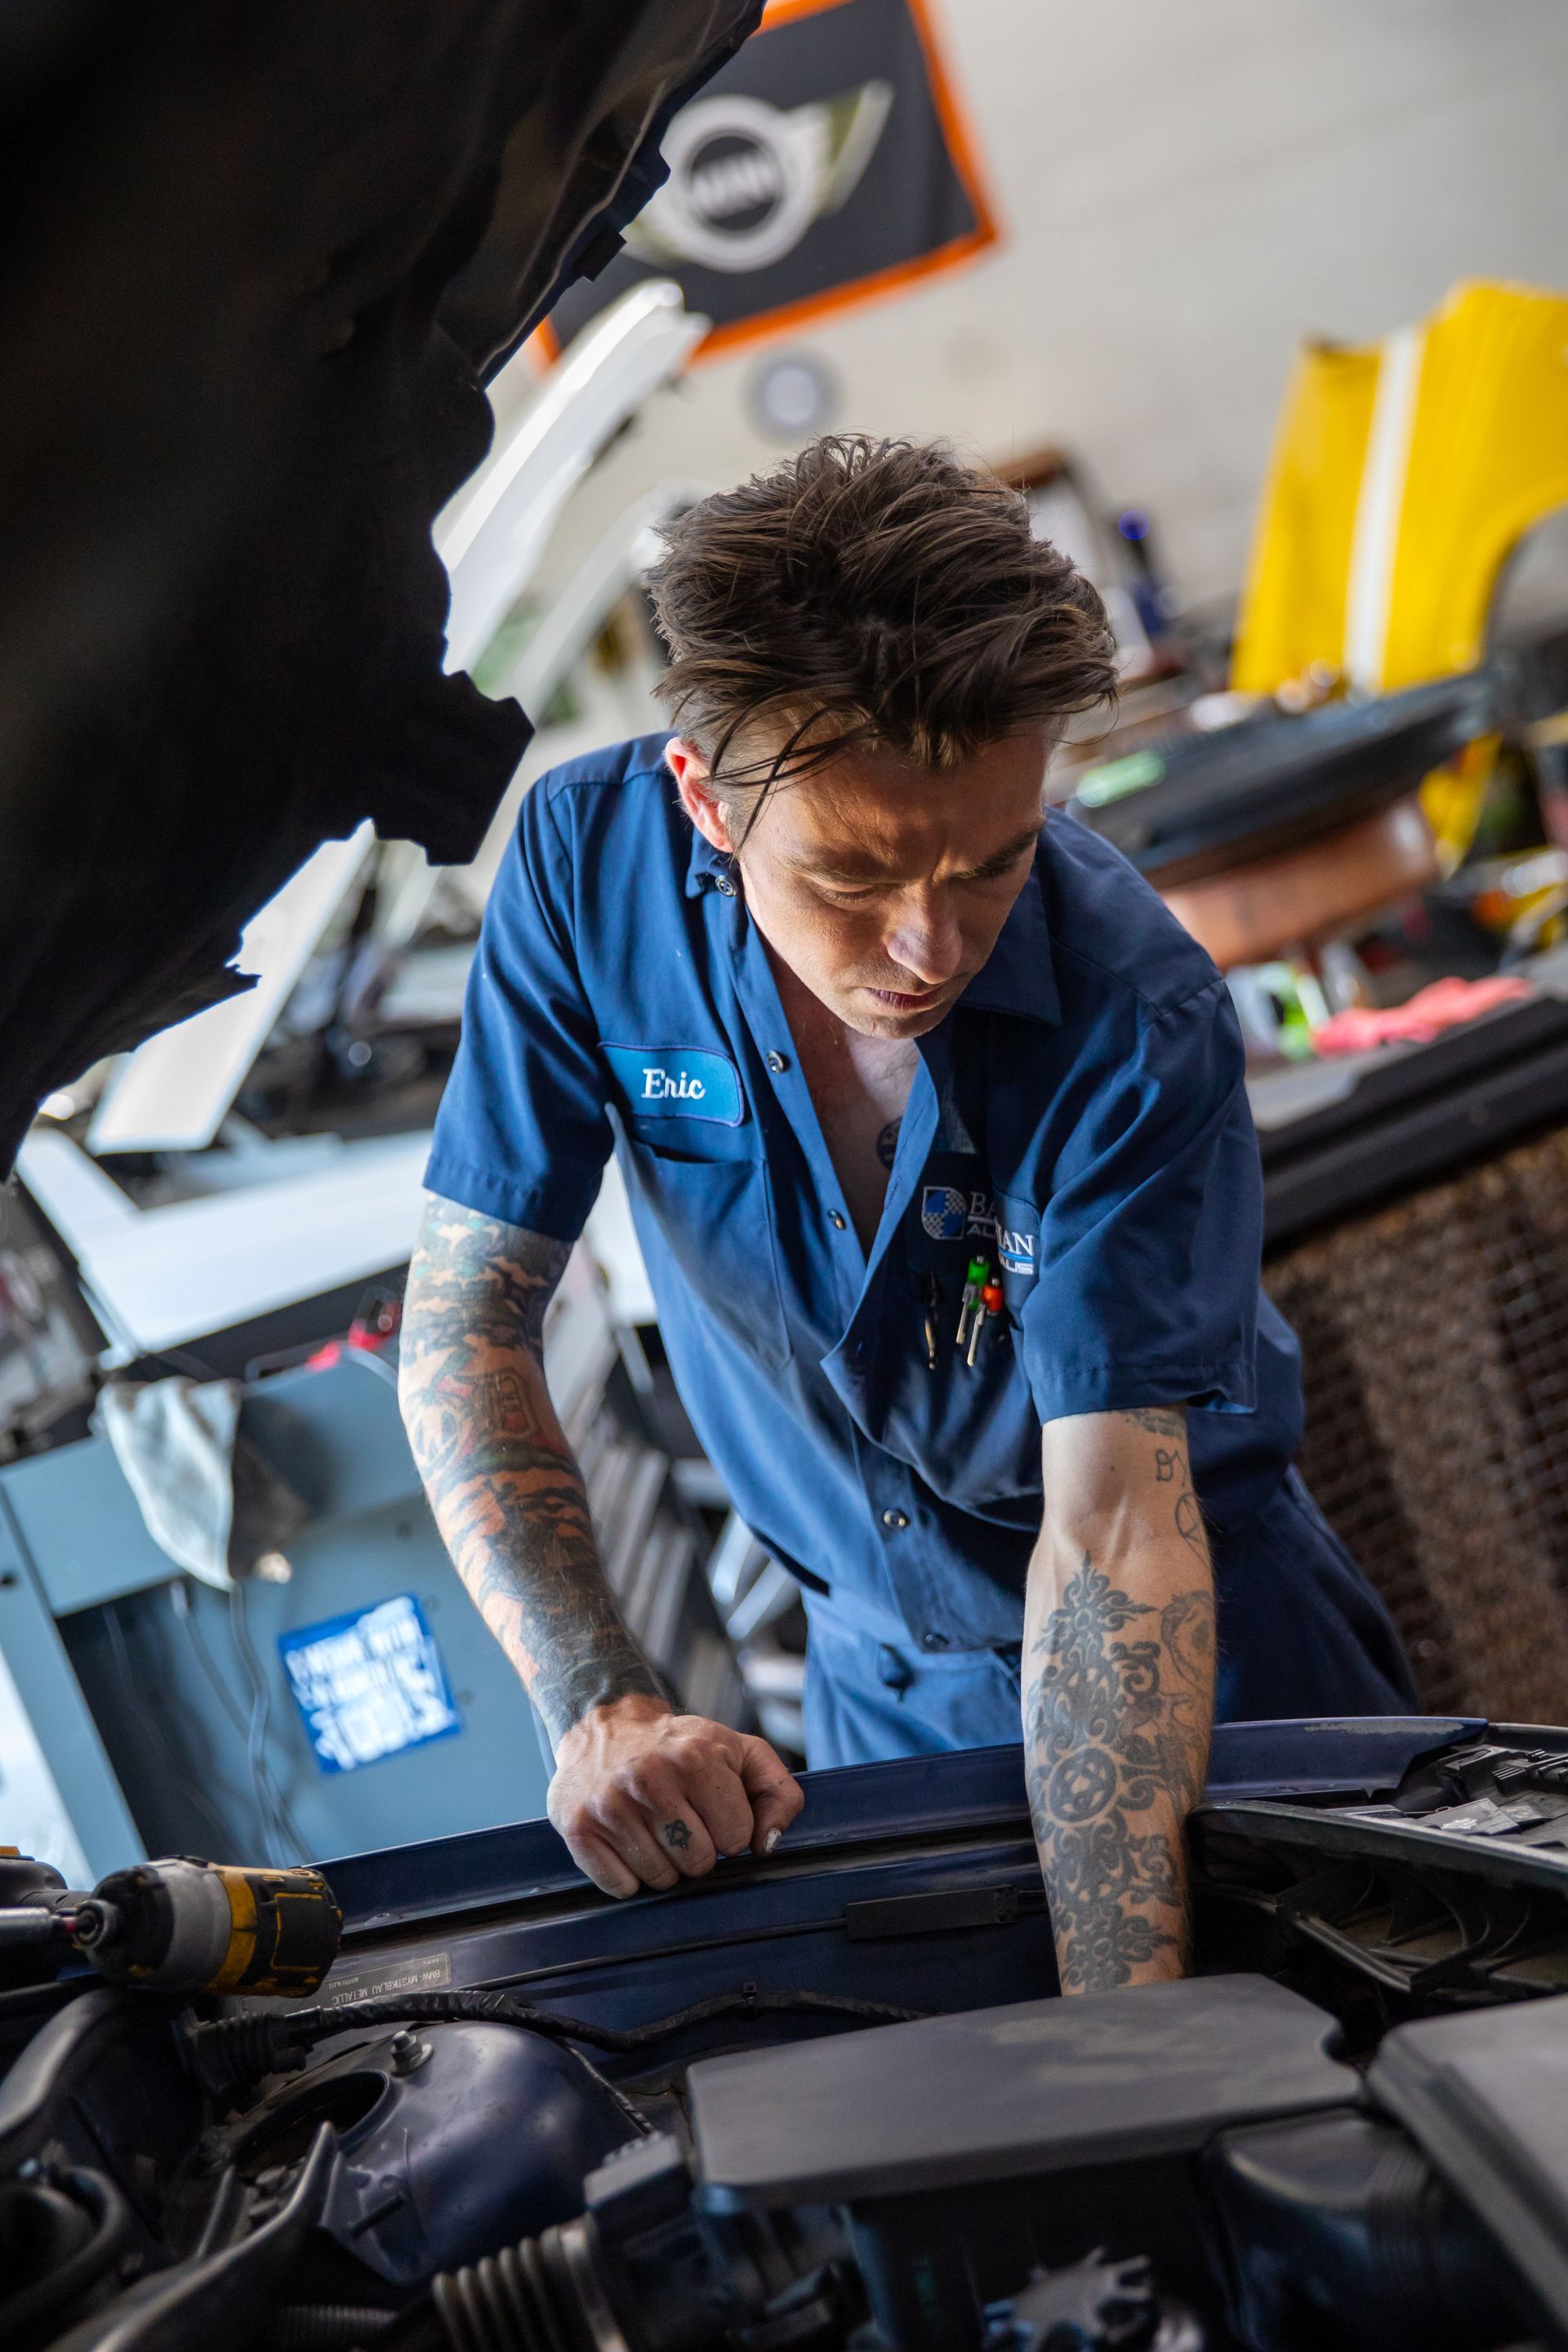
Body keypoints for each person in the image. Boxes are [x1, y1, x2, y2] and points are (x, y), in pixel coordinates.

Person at [399, 436, 1415, 1998]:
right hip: (878, 1685)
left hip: (1190, 1650)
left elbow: (1117, 1530)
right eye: (857, 874)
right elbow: (467, 1317)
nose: (928, 944)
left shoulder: (1131, 1013)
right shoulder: (585, 874)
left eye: (991, 863)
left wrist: (1128, 2042)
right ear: (707, 803)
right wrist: (598, 1699)